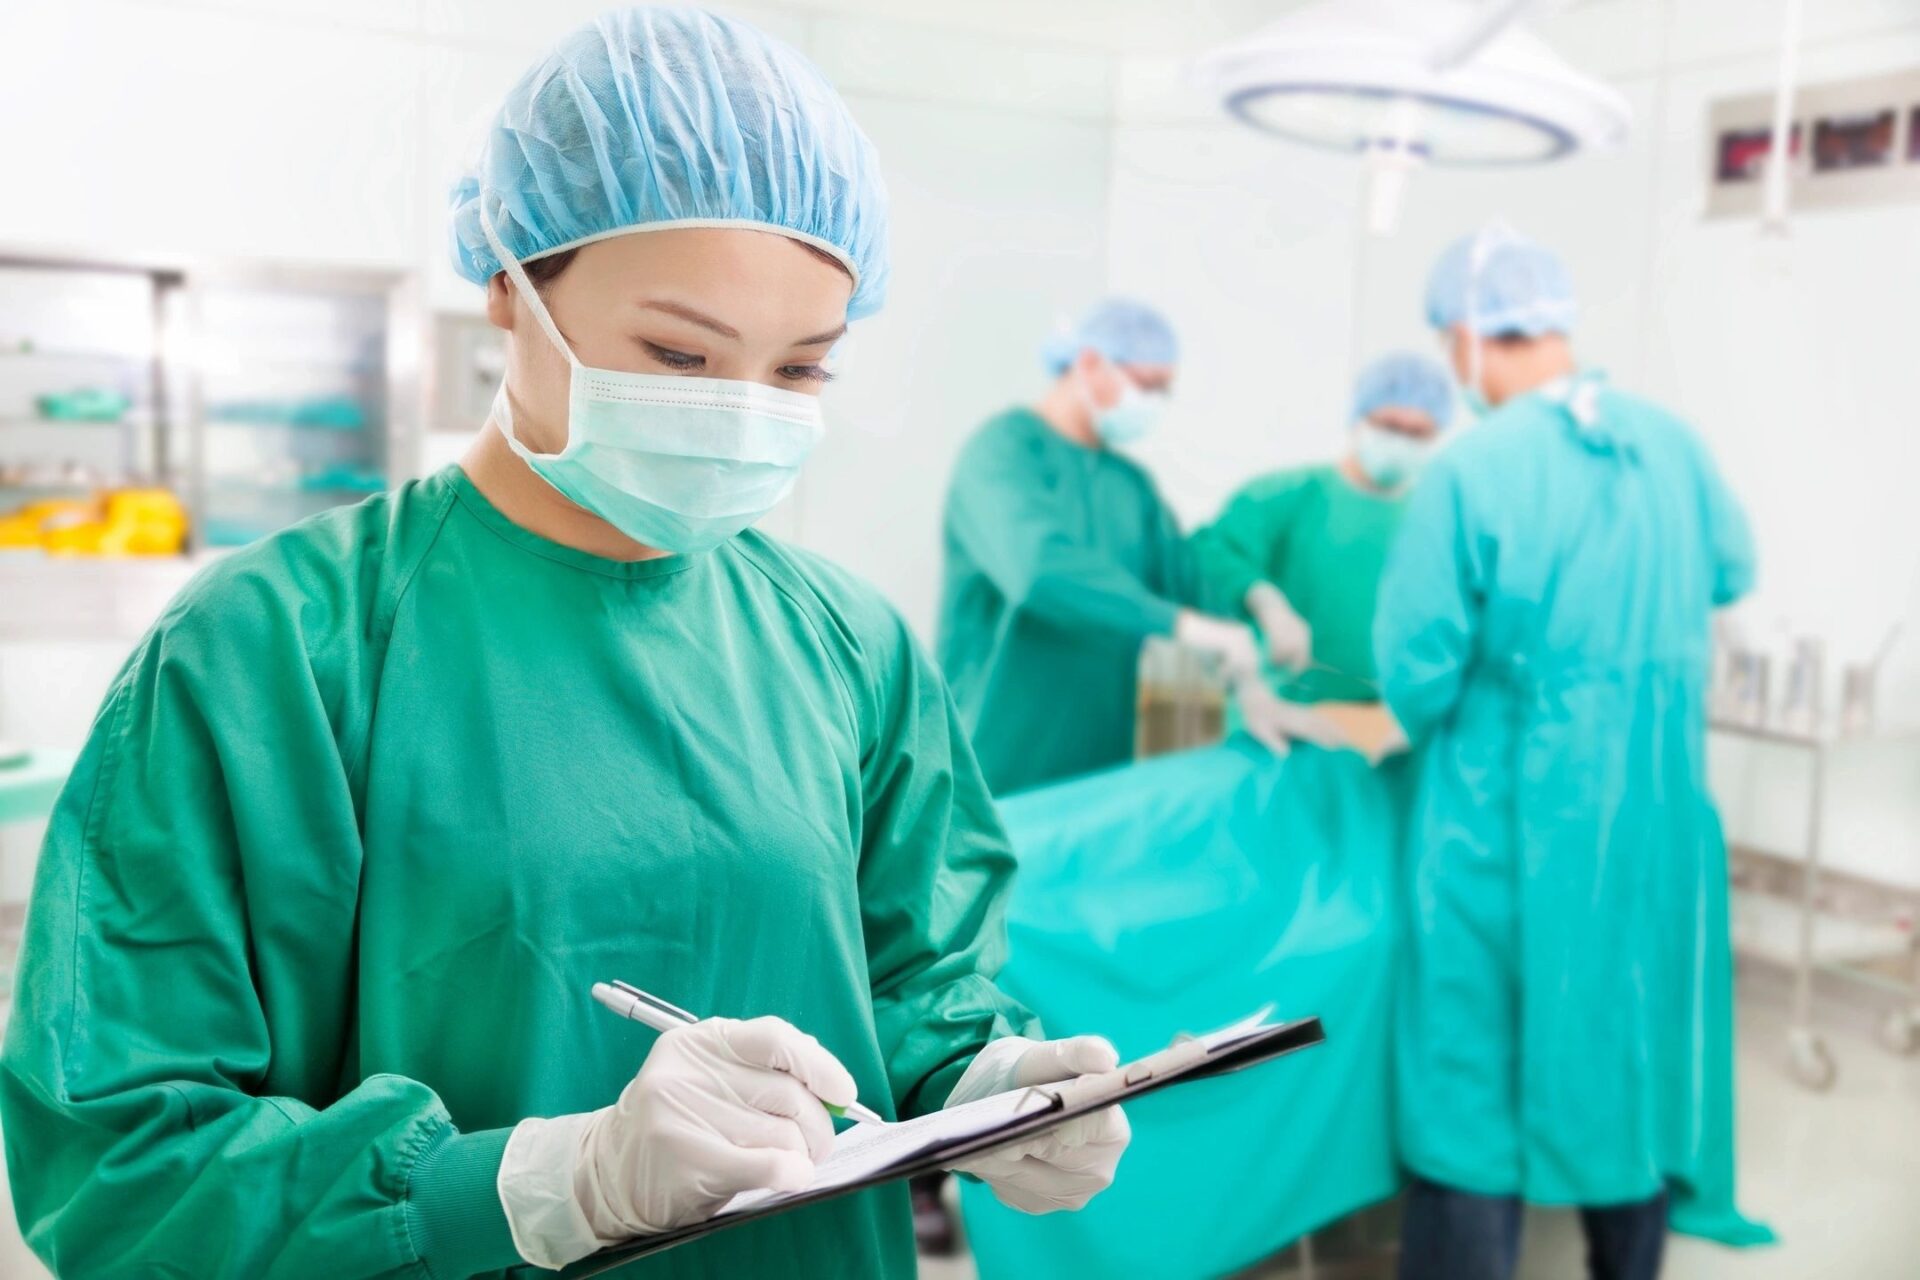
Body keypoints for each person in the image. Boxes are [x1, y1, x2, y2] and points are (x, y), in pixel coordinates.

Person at [0, 12, 1129, 1279]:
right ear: (507, 279)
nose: (738, 411)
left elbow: (916, 975)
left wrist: (993, 1081)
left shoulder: (847, 643)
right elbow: (126, 1165)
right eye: (678, 353)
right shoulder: (271, 651)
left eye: (802, 369)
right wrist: (546, 1182)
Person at [1376, 223, 1769, 1280]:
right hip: (1652, 814)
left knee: (1477, 1062)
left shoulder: (1471, 470)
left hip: (1509, 821)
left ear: (1466, 334)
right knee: (1624, 1034)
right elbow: (1732, 568)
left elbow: (1415, 669)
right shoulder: (1673, 442)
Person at [937, 300, 1288, 794]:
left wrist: (1253, 659)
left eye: (1165, 390)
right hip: (999, 766)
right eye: (1147, 386)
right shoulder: (1002, 450)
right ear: (1089, 365)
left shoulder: (1131, 486)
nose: (1155, 403)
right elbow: (1040, 572)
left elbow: (1188, 587)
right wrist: (1185, 627)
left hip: (1102, 772)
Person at [1191, 351, 1455, 704]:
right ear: (1359, 418)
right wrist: (1265, 601)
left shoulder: (1439, 518)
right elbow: (1207, 552)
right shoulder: (1288, 494)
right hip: (1285, 711)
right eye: (1390, 427)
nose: (1402, 441)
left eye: (1418, 433)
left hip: (1393, 721)